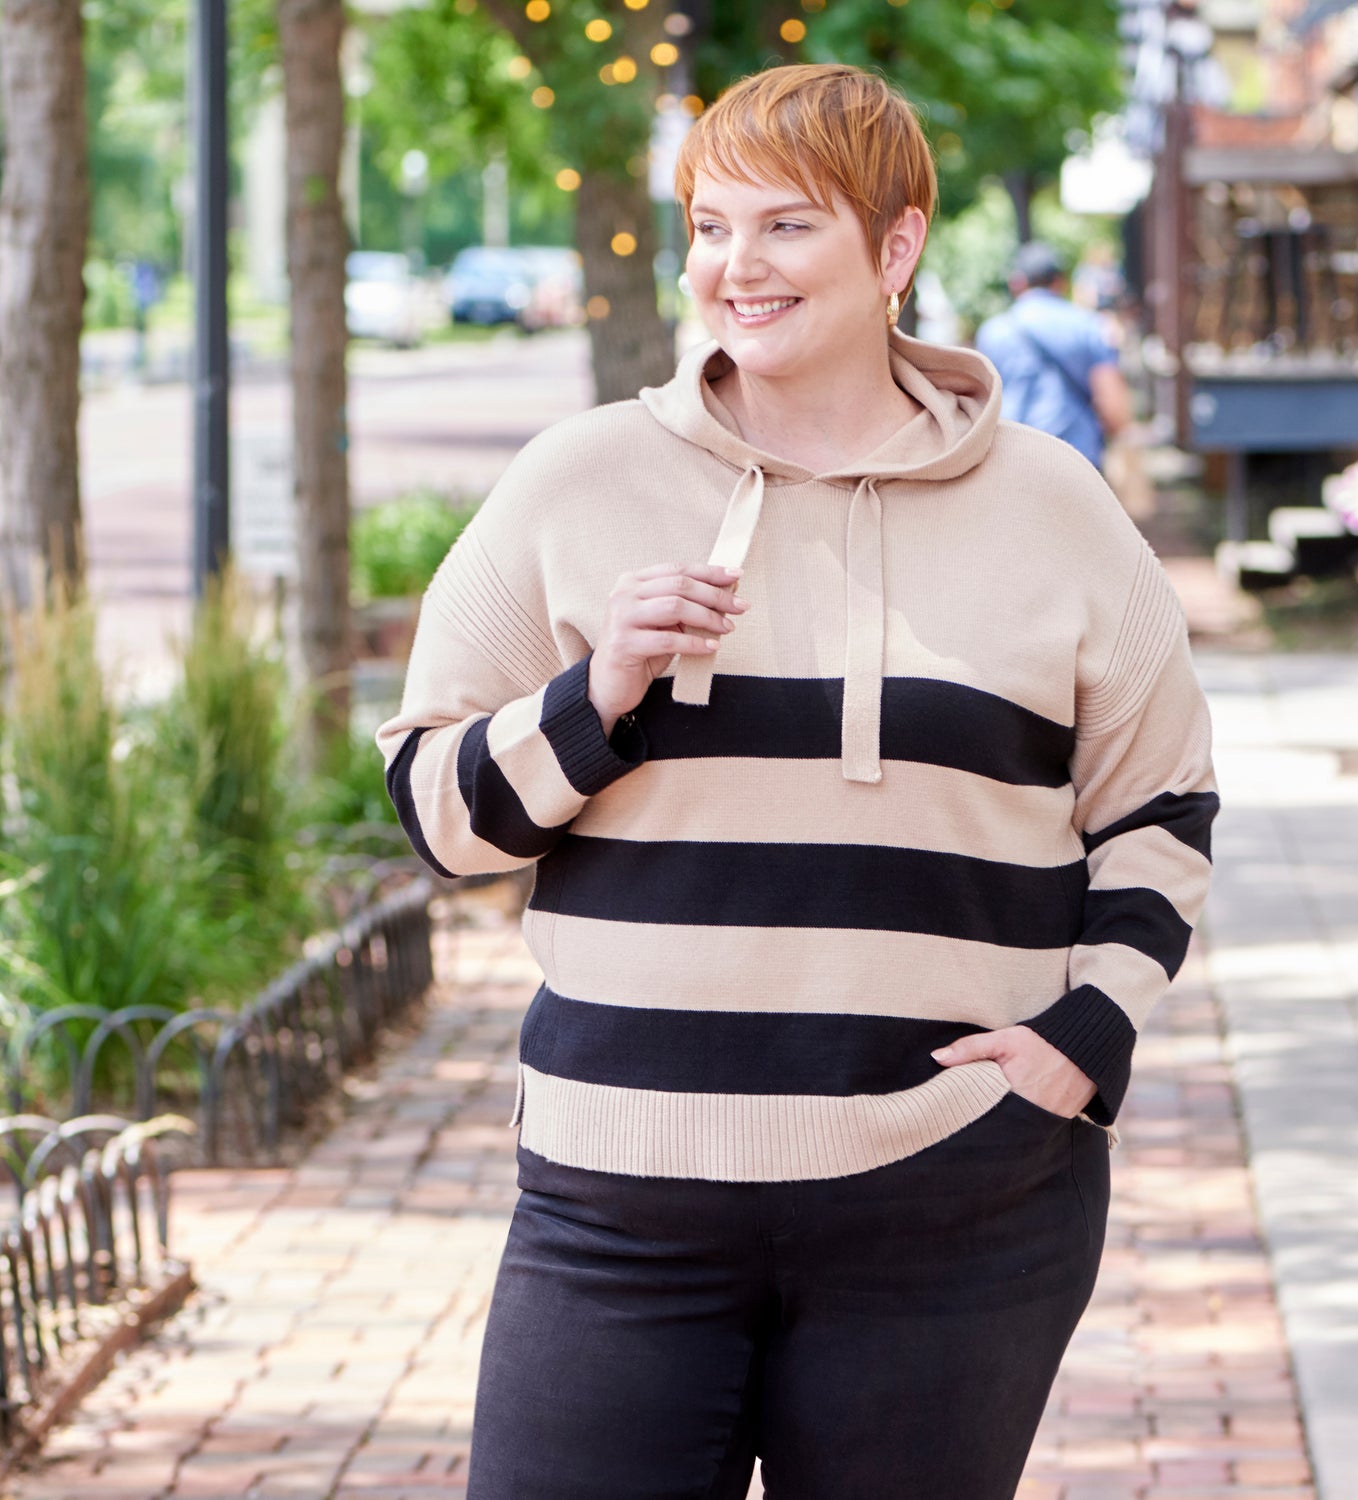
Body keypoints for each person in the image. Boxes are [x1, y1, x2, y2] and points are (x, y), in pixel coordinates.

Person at [379, 62, 1217, 1500]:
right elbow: (438, 820)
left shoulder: (1053, 507)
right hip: (619, 1207)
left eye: (785, 228)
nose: (733, 268)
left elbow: (1160, 814)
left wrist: (1086, 1037)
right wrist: (601, 694)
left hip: (954, 1202)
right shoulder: (577, 483)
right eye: (709, 226)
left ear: (896, 248)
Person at [975, 240, 1132, 468]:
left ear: (1016, 283)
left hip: (1012, 461)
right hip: (1077, 461)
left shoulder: (993, 331)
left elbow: (982, 401)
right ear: (1060, 282)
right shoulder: (1089, 326)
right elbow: (1113, 406)